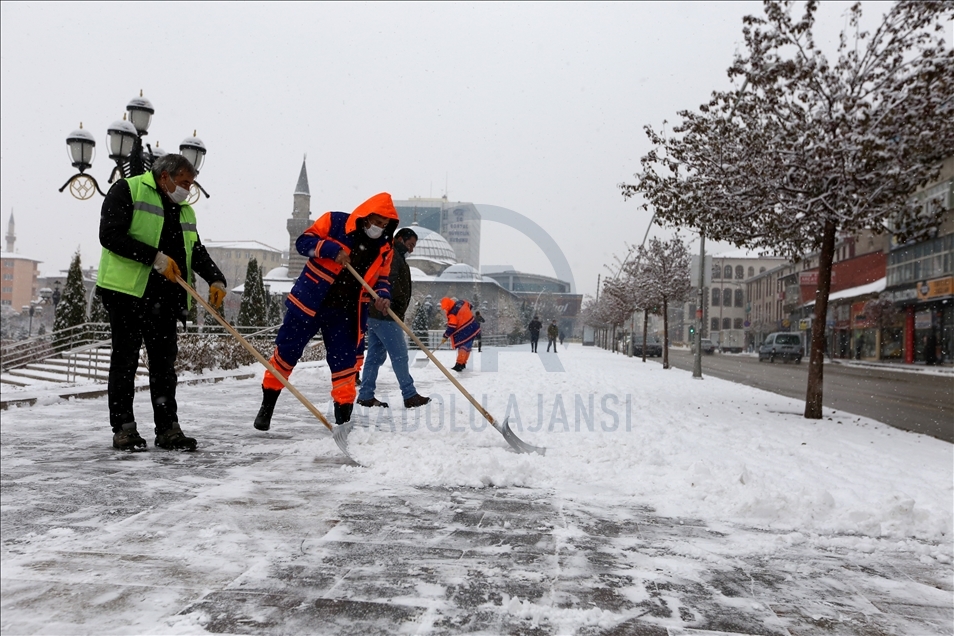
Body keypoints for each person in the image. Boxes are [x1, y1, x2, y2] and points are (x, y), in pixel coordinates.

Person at [96, 154, 227, 452]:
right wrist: (154, 257)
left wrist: (216, 279)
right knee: (125, 361)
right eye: (183, 183)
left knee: (164, 366)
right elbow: (110, 235)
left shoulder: (185, 211)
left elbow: (196, 249)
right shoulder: (127, 190)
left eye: (191, 184)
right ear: (164, 177)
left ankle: (168, 429)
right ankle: (124, 428)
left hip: (166, 298)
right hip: (127, 293)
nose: (187, 190)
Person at [252, 193, 399, 431]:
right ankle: (267, 407)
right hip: (309, 302)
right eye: (378, 221)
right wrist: (330, 249)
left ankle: (344, 423)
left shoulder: (385, 246)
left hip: (346, 312)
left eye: (385, 225)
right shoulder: (335, 222)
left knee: (345, 365)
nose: (380, 228)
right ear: (366, 214)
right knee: (286, 353)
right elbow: (303, 242)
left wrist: (382, 295)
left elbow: (382, 277)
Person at [356, 228, 430, 409]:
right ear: (399, 239)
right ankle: (409, 394)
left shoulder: (395, 255)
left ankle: (366, 395)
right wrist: (389, 303)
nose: (411, 249)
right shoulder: (393, 256)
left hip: (377, 314)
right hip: (386, 314)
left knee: (374, 356)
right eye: (410, 244)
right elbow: (387, 280)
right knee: (400, 355)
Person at [440, 297, 481, 372]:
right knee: (467, 348)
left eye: (445, 308)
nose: (445, 310)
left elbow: (452, 326)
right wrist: (465, 316)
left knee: (462, 347)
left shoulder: (452, 314)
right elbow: (470, 306)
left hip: (465, 331)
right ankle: (463, 364)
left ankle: (459, 365)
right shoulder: (462, 302)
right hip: (473, 327)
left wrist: (445, 336)